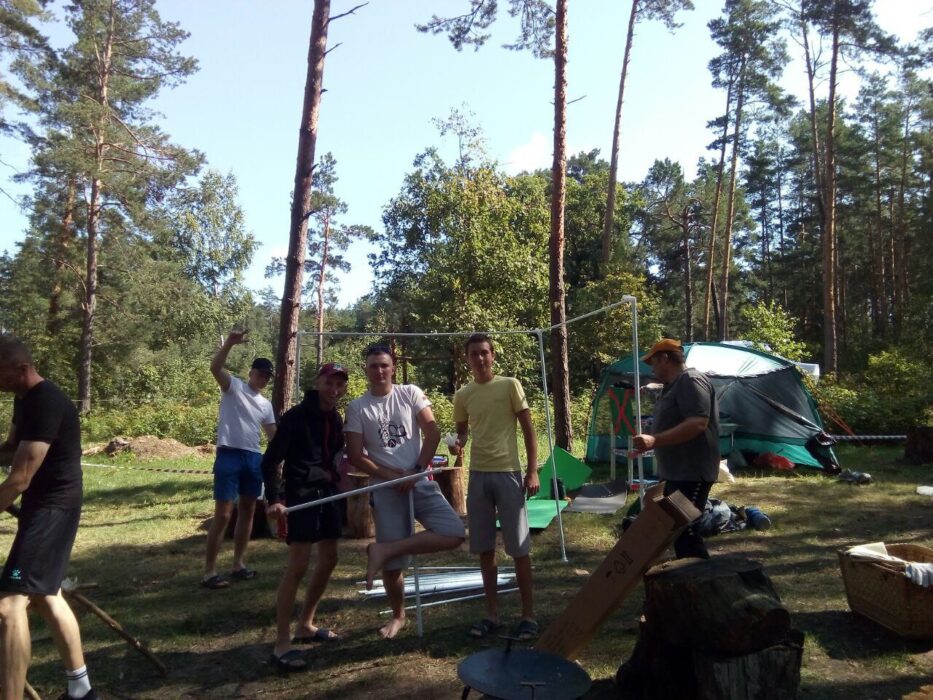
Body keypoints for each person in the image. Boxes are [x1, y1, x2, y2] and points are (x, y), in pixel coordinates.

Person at [345, 345, 465, 639]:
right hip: (386, 488)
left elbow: (433, 432)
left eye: (384, 365)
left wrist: (416, 470)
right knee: (393, 567)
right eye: (373, 366)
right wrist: (389, 476)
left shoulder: (410, 393)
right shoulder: (358, 407)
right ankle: (398, 615)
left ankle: (385, 549)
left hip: (419, 479)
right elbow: (356, 455)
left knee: (453, 532)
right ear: (366, 369)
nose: (379, 371)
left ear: (393, 367)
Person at [0, 335, 97, 700]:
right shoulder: (23, 399)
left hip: (53, 510)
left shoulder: (46, 403)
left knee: (9, 606)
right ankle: (81, 690)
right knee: (46, 596)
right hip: (42, 506)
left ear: (22, 368)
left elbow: (20, 479)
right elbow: (12, 450)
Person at [261, 362, 349, 672]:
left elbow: (335, 456)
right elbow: (270, 461)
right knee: (298, 566)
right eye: (329, 383)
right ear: (317, 382)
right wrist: (274, 499)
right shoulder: (295, 417)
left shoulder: (335, 418)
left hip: (328, 494)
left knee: (330, 559)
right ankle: (281, 642)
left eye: (339, 385)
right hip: (301, 495)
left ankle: (305, 625)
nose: (334, 390)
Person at [451, 333, 540, 641]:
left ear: (493, 355)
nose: (480, 358)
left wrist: (532, 471)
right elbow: (462, 435)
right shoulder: (463, 394)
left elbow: (528, 430)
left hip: (508, 473)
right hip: (478, 476)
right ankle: (492, 615)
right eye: (474, 354)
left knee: (519, 547)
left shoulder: (510, 385)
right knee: (484, 547)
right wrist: (457, 444)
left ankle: (528, 616)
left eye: (484, 352)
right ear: (467, 359)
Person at [202, 328, 277, 589]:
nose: (263, 378)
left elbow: (274, 436)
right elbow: (215, 367)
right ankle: (209, 572)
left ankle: (238, 564)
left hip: (253, 458)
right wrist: (230, 344)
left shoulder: (266, 405)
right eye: (260, 373)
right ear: (251, 373)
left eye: (267, 376)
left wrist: (287, 454)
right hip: (229, 454)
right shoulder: (233, 387)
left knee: (248, 510)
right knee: (223, 514)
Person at [632, 338, 720, 559]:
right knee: (678, 531)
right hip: (677, 472)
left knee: (686, 531)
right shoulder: (673, 385)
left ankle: (702, 576)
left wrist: (655, 440)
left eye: (653, 362)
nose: (652, 369)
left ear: (665, 358)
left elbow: (698, 423)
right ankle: (690, 576)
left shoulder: (691, 380)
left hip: (692, 472)